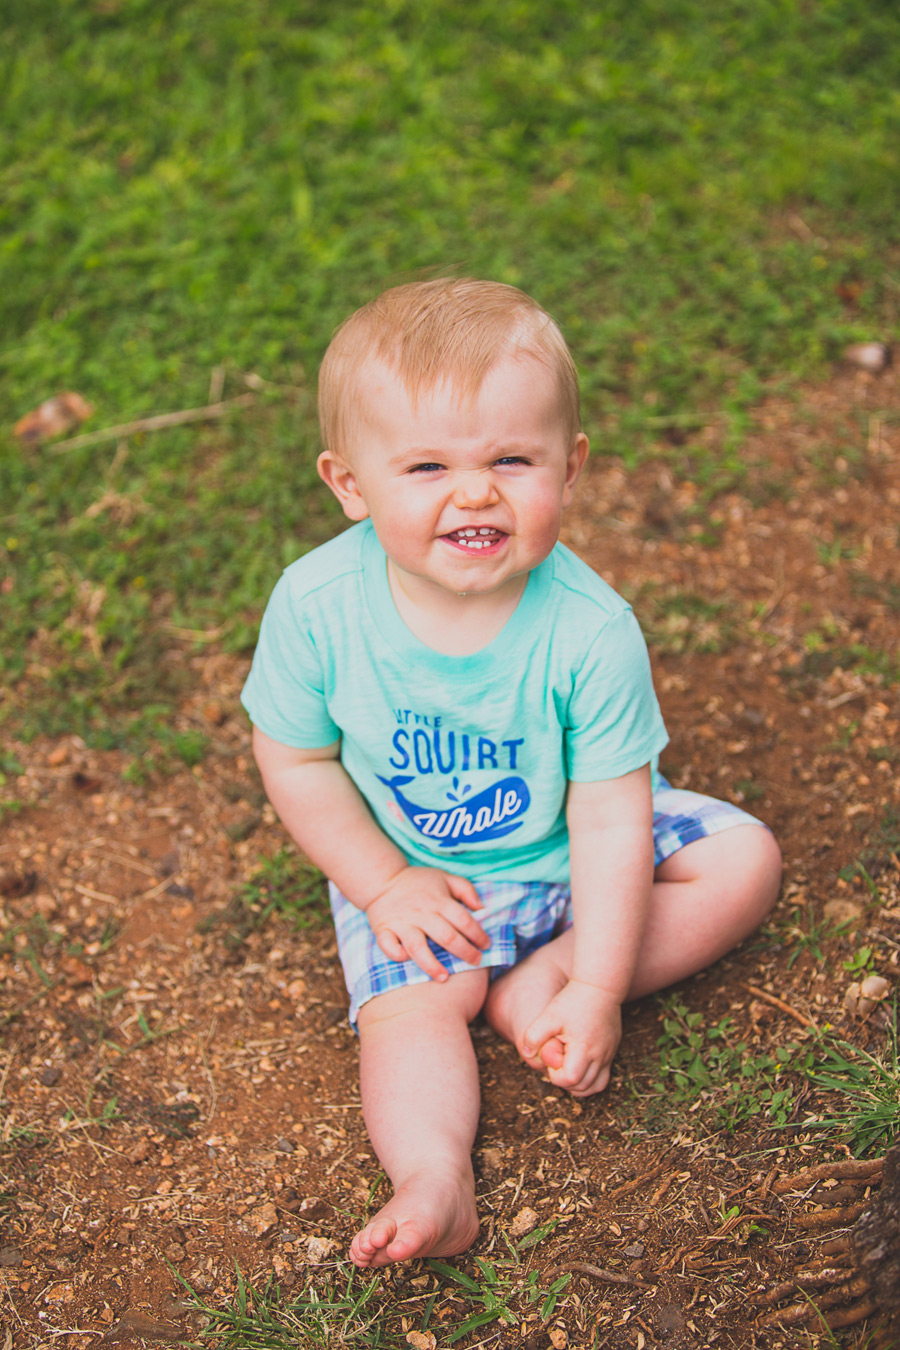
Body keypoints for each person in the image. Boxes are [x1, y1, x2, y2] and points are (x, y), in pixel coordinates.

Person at [241, 277, 782, 1270]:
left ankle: (547, 981)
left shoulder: (589, 631)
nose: (475, 491)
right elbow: (298, 756)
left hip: (571, 846)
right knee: (406, 1015)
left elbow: (615, 819)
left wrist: (603, 984)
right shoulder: (317, 608)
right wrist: (382, 883)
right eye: (427, 466)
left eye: (511, 459)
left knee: (745, 859)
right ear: (350, 484)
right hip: (418, 872)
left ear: (570, 468)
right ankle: (434, 1176)